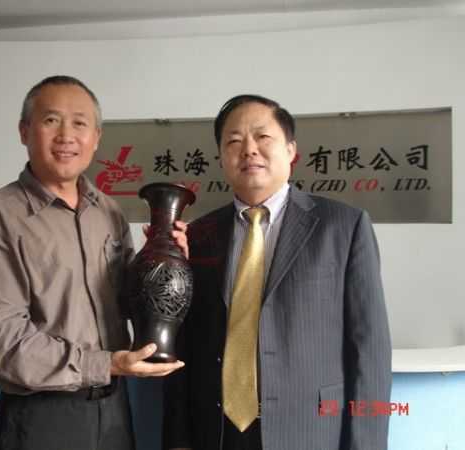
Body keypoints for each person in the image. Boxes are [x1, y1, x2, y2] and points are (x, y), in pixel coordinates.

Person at [0, 75, 186, 450]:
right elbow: (8, 348)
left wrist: (165, 263)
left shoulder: (108, 212)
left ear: (96, 138)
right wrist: (108, 364)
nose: (67, 135)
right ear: (24, 131)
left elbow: (127, 300)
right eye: (51, 120)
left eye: (80, 123)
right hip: (42, 418)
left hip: (113, 411)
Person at [163, 94, 392, 450]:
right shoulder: (198, 236)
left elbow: (370, 350)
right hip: (217, 432)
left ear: (290, 150)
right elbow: (185, 345)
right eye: (234, 141)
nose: (249, 150)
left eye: (262, 137)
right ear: (221, 158)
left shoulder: (343, 227)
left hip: (310, 432)